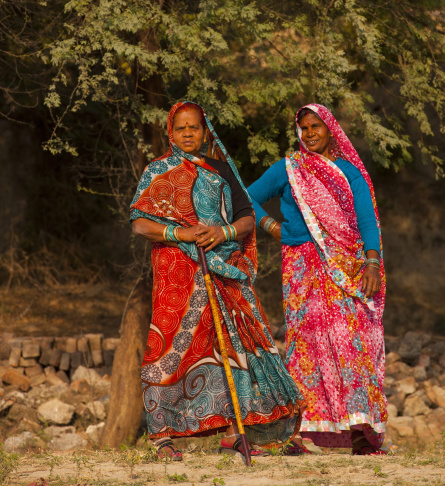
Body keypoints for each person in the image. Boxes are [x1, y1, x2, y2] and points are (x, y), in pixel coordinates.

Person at [130, 101, 304, 461]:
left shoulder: (222, 170)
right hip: (177, 278)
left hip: (224, 270)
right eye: (181, 128)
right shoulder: (158, 171)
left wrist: (221, 231)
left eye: (195, 127)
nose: (188, 133)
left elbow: (246, 218)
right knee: (169, 350)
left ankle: (232, 431)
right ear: (170, 132)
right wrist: (181, 234)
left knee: (229, 347)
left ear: (205, 131)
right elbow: (140, 223)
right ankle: (162, 435)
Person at [247, 103, 387, 455]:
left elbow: (367, 220)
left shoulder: (348, 172)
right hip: (302, 267)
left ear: (330, 129)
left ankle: (359, 433)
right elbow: (246, 198)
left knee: (350, 346)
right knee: (305, 345)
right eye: (304, 128)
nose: (309, 134)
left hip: (345, 269)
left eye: (316, 127)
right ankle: (298, 434)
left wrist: (372, 262)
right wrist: (273, 227)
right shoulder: (289, 169)